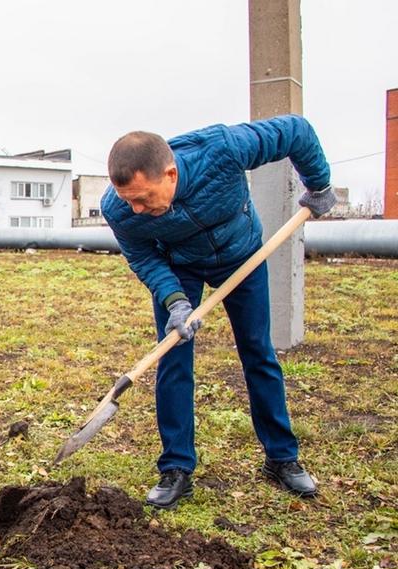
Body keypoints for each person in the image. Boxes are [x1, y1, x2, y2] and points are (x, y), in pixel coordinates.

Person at [101, 115, 336, 509]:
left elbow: (297, 131)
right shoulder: (119, 209)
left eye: (143, 197)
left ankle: (282, 457)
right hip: (180, 266)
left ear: (170, 173)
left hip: (242, 255)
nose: (137, 209)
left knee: (258, 352)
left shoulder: (223, 150)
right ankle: (176, 468)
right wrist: (174, 300)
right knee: (173, 357)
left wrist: (319, 184)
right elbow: (143, 256)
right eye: (129, 201)